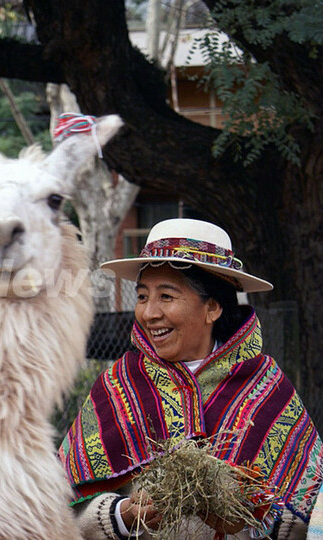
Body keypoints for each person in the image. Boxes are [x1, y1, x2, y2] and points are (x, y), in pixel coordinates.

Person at [59, 218, 322, 539]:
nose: (149, 313)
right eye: (143, 296)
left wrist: (253, 519)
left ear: (212, 307)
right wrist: (122, 515)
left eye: (166, 296)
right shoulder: (118, 386)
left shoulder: (267, 387)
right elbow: (64, 506)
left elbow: (304, 510)